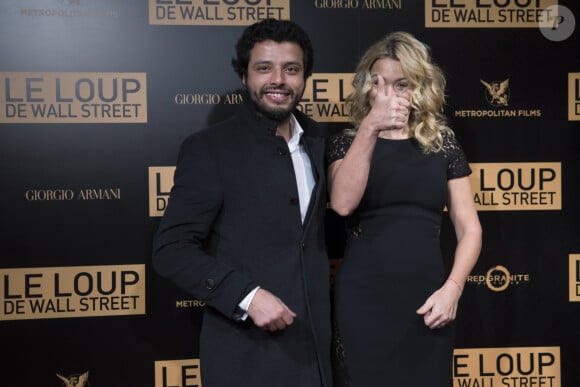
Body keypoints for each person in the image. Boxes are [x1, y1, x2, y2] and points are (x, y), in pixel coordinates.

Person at [152, 19, 332, 387]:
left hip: (316, 357)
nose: (278, 80)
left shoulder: (320, 141)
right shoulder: (210, 149)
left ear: (305, 76)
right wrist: (247, 297)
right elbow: (171, 249)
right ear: (245, 76)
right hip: (246, 356)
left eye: (291, 69)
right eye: (264, 68)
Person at [326, 31, 482, 386]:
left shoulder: (443, 145)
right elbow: (342, 204)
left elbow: (469, 228)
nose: (391, 95)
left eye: (402, 84)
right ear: (368, 87)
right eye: (381, 85)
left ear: (419, 87)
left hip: (428, 299)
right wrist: (371, 126)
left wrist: (453, 289)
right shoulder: (344, 143)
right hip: (363, 300)